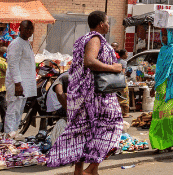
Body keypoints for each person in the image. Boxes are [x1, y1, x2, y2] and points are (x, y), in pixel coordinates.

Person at [47, 11, 124, 175]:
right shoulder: (95, 39)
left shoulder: (82, 39)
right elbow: (89, 61)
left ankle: (80, 171)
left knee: (85, 132)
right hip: (97, 95)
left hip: (83, 93)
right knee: (113, 127)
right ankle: (91, 169)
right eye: (107, 22)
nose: (109, 25)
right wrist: (115, 67)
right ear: (101, 24)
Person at [4, 20, 37, 135]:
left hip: (24, 86)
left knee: (19, 112)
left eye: (31, 29)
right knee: (13, 111)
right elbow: (13, 64)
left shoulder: (26, 43)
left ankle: (14, 135)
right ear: (20, 29)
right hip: (17, 85)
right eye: (26, 28)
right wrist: (18, 84)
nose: (29, 31)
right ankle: (8, 137)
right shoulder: (16, 44)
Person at [117, 49, 130, 117]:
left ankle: (119, 112)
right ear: (123, 55)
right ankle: (125, 113)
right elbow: (123, 72)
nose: (127, 55)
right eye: (126, 54)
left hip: (116, 80)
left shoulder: (116, 61)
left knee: (119, 96)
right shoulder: (124, 62)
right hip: (122, 80)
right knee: (125, 96)